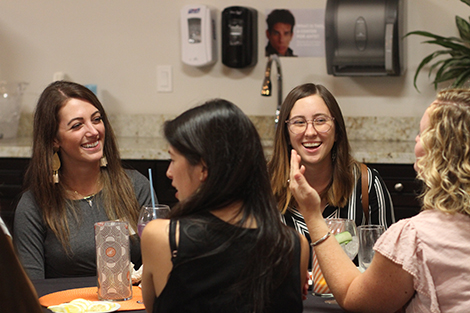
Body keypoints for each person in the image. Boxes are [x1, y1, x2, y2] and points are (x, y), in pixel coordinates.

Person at [290, 88, 470, 312]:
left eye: (422, 134)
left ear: (441, 152)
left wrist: (313, 215)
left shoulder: (414, 239)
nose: (310, 131)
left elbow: (355, 299)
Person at [141, 99, 309, 313]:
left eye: (173, 159)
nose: (169, 173)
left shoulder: (162, 237)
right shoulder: (295, 245)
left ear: (203, 168)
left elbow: (152, 307)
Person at [14, 81, 154, 279]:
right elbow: (32, 288)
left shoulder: (136, 186)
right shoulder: (34, 204)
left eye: (96, 119)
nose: (93, 131)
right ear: (54, 139)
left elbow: (160, 266)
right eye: (77, 125)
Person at [268, 83, 395, 249]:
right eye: (299, 122)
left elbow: (389, 262)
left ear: (337, 131)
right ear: (286, 134)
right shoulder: (264, 184)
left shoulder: (366, 183)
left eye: (320, 120)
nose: (310, 132)